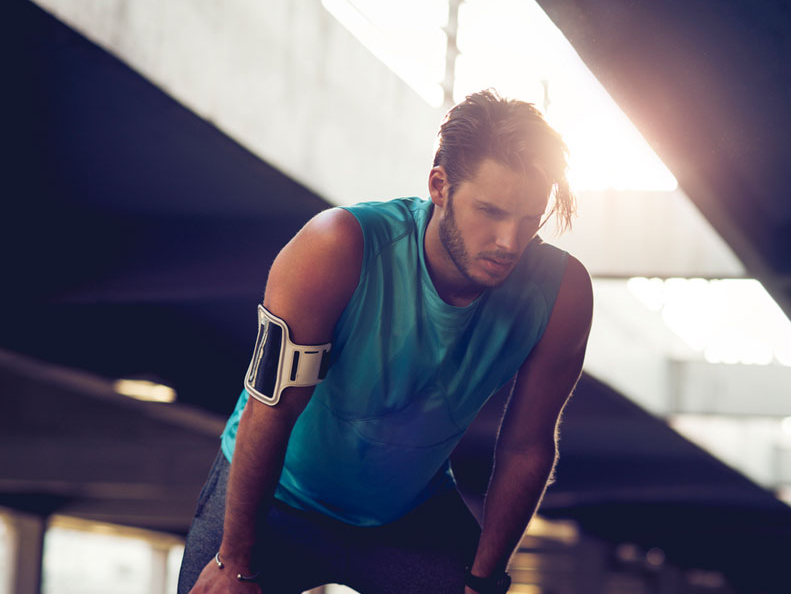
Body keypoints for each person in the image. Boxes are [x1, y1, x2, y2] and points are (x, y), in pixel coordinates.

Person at [178, 89, 593, 594]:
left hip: (407, 517)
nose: (509, 242)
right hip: (276, 498)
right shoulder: (336, 245)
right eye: (489, 211)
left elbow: (527, 446)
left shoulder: (561, 294)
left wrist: (484, 582)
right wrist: (235, 561)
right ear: (439, 186)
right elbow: (273, 406)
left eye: (529, 219)